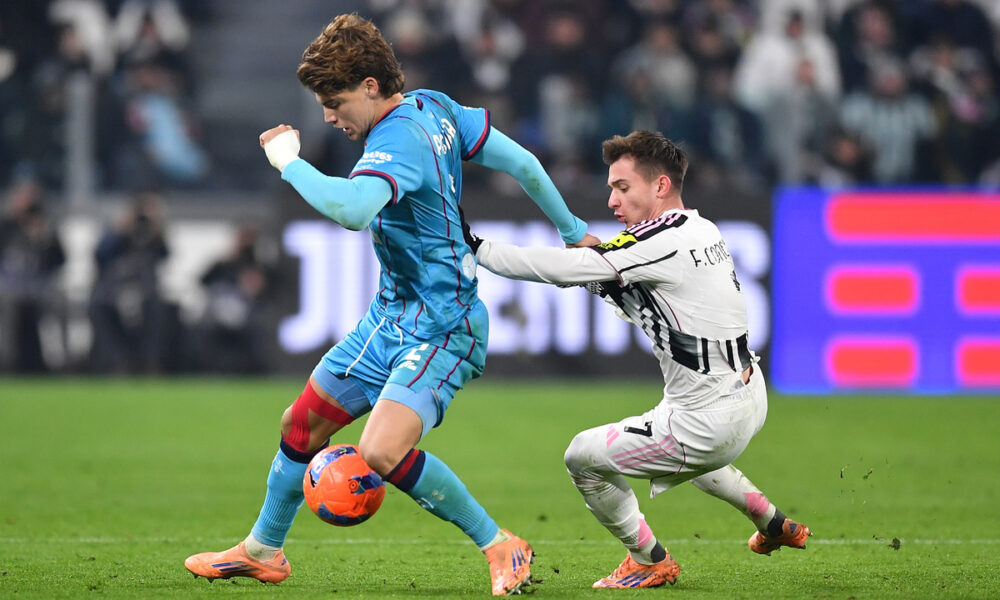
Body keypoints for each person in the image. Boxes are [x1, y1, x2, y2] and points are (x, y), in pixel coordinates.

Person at [183, 13, 596, 596]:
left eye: (335, 102)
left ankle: (501, 544)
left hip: (443, 327)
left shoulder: (397, 137)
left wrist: (289, 163)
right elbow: (524, 164)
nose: (330, 117)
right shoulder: (436, 106)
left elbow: (353, 210)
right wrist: (573, 231)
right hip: (389, 319)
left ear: (370, 86)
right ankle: (263, 550)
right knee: (301, 424)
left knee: (379, 451)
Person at [463, 131, 811, 589]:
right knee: (690, 456)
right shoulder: (702, 229)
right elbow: (631, 291)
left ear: (660, 185)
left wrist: (478, 248)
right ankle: (773, 522)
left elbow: (572, 270)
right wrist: (598, 265)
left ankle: (648, 559)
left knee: (582, 456)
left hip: (706, 421)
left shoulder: (659, 241)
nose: (612, 200)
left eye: (623, 187)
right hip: (748, 394)